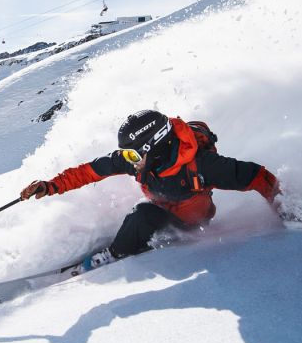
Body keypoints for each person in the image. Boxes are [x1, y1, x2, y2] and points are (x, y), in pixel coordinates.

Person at [20, 110, 281, 269]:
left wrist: (285, 208)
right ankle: (138, 240)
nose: (128, 160)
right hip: (163, 209)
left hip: (194, 221)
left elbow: (257, 176)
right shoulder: (139, 161)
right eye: (126, 155)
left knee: (142, 214)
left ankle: (115, 254)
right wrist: (50, 185)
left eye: (133, 155)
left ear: (155, 147)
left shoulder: (203, 166)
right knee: (146, 213)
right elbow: (89, 172)